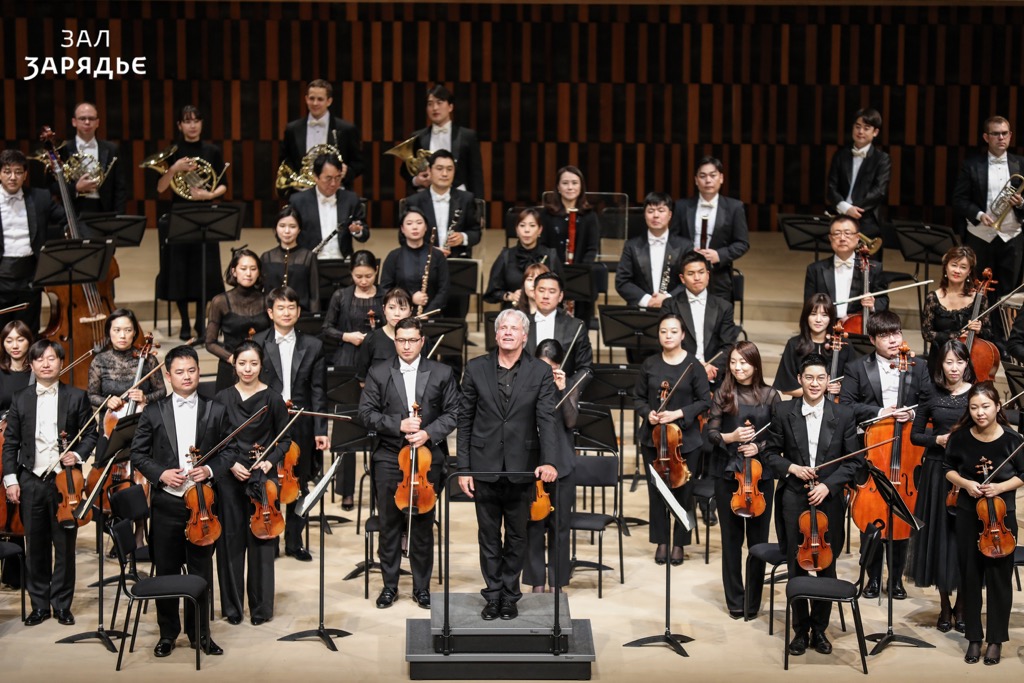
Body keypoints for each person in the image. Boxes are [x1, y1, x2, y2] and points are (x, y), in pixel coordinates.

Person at [130, 345, 233, 657]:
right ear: (167, 375)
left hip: (202, 504)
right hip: (167, 504)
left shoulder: (216, 409)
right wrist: (161, 474)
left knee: (201, 571)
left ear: (199, 372)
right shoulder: (153, 411)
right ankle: (167, 634)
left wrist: (210, 469)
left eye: (191, 370)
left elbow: (230, 451)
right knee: (167, 570)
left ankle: (200, 634)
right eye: (179, 372)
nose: (186, 376)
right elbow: (138, 454)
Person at [457, 309, 559, 620]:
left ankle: (510, 595)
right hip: (483, 465)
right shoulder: (476, 368)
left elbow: (546, 418)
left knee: (517, 536)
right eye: (503, 327)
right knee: (488, 536)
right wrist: (464, 468)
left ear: (525, 335)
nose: (508, 332)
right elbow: (464, 420)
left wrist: (549, 460)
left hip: (522, 466)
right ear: (496, 333)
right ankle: (492, 595)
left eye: (514, 328)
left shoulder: (540, 371)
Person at [764, 353, 862, 657]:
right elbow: (770, 454)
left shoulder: (843, 414)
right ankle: (799, 629)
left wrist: (828, 486)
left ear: (828, 381)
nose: (815, 383)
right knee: (797, 563)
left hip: (828, 498)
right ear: (800, 379)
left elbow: (854, 462)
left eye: (821, 378)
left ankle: (819, 629)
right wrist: (792, 468)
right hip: (794, 495)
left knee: (826, 564)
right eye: (809, 378)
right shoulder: (783, 411)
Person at [359, 317, 460, 609]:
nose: (406, 346)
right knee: (389, 523)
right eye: (401, 340)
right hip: (390, 456)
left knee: (423, 524)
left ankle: (421, 587)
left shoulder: (442, 372)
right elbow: (365, 413)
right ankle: (389, 586)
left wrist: (428, 433)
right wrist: (398, 424)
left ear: (422, 341)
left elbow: (454, 412)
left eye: (412, 340)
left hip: (428, 459)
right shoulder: (379, 372)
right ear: (395, 341)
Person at [1, 340, 96, 627]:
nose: (46, 364)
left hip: (65, 482)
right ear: (31, 365)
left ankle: (62, 605)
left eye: (51, 358)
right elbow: (11, 443)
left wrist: (77, 454)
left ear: (61, 362)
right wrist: (10, 479)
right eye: (40, 359)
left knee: (65, 546)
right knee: (35, 546)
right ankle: (40, 605)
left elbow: (91, 433)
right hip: (31, 480)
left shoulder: (76, 396)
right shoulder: (20, 398)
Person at [839, 310, 929, 599]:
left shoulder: (918, 366)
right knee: (871, 516)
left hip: (907, 454)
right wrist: (882, 412)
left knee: (903, 517)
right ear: (872, 339)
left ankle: (897, 579)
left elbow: (930, 403)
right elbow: (847, 406)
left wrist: (911, 414)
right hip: (873, 451)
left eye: (896, 333)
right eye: (885, 335)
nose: (893, 340)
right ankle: (873, 578)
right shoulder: (857, 367)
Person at [944, 381, 1024, 665]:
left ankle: (996, 640)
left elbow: (1023, 474)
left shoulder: (1013, 440)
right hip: (969, 513)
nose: (980, 412)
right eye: (974, 407)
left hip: (1002, 516)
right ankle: (974, 638)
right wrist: (966, 483)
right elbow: (948, 469)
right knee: (970, 576)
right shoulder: (960, 437)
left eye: (986, 406)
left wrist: (1000, 487)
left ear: (998, 406)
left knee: (999, 578)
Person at [214, 340, 291, 626]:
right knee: (231, 542)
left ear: (261, 365)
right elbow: (214, 440)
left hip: (262, 478)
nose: (248, 369)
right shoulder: (221, 398)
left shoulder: (273, 398)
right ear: (234, 365)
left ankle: (261, 609)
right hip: (230, 477)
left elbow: (285, 439)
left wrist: (269, 461)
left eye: (254, 363)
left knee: (262, 542)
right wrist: (230, 464)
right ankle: (233, 608)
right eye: (242, 363)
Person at [704, 341, 779, 619]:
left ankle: (753, 600)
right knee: (731, 540)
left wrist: (758, 446)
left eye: (744, 362)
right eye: (733, 362)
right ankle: (735, 599)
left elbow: (779, 436)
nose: (738, 367)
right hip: (728, 473)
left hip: (760, 476)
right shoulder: (723, 394)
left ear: (755, 364)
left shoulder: (771, 396)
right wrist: (732, 437)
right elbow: (711, 433)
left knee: (758, 542)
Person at [254, 286, 329, 561]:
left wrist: (321, 429)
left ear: (298, 312)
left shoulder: (314, 345)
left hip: (301, 422)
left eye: (291, 307)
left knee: (299, 483)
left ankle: (294, 542)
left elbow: (318, 390)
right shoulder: (258, 343)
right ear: (270, 312)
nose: (286, 313)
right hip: (267, 423)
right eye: (280, 308)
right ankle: (270, 537)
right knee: (268, 482)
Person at [633, 312, 711, 565]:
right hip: (653, 439)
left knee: (683, 491)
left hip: (685, 441)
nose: (668, 336)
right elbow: (638, 398)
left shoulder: (693, 366)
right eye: (663, 331)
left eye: (674, 331)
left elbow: (704, 401)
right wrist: (648, 413)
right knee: (657, 492)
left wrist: (678, 413)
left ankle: (679, 542)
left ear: (683, 335)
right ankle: (661, 541)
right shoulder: (650, 364)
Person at [908, 339, 973, 634]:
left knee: (964, 539)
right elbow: (915, 435)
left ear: (966, 363)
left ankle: (962, 606)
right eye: (949, 362)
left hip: (967, 471)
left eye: (959, 362)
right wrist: (937, 439)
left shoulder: (977, 393)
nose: (954, 368)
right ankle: (945, 606)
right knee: (940, 537)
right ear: (940, 364)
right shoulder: (930, 393)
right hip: (936, 471)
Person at [153, 105, 227, 340]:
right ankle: (185, 322)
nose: (192, 125)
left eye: (196, 120)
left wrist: (208, 195)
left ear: (201, 123)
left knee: (205, 269)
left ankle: (200, 322)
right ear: (180, 125)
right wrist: (174, 168)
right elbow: (160, 188)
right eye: (187, 121)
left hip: (205, 215)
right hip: (180, 214)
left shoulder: (212, 151)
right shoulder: (173, 152)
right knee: (180, 271)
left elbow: (223, 185)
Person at [524, 339, 589, 593]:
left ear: (559, 366)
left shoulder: (568, 385)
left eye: (550, 368)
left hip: (562, 465)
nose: (545, 373)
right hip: (533, 464)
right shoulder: (526, 385)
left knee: (560, 527)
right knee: (533, 525)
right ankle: (536, 582)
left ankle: (557, 583)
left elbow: (571, 422)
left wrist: (563, 390)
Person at [402, 149, 482, 320]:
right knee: (424, 318)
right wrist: (430, 249)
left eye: (449, 169)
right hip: (423, 268)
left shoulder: (466, 199)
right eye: (439, 168)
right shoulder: (414, 201)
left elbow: (476, 232)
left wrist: (463, 238)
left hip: (455, 265)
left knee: (456, 319)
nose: (445, 174)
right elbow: (402, 237)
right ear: (429, 171)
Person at [952, 115, 1024, 302]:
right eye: (995, 134)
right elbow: (959, 200)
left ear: (1010, 136)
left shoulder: (1021, 164)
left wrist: (1021, 203)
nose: (1001, 138)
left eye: (1005, 133)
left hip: (1012, 237)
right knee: (977, 292)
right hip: (980, 237)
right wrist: (979, 214)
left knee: (1009, 295)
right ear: (986, 137)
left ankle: (1005, 324)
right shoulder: (972, 165)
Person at [88, 308, 166, 470]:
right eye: (117, 330)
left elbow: (162, 392)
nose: (122, 335)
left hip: (142, 426)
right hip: (110, 429)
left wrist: (145, 398)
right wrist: (107, 402)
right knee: (104, 475)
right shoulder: (99, 361)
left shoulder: (148, 359)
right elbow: (92, 395)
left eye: (128, 330)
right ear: (109, 332)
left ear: (135, 332)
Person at [0, 148, 66, 332]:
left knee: (28, 333)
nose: (13, 177)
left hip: (30, 279)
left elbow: (67, 219)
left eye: (18, 172)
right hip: (1, 277)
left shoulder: (40, 198)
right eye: (7, 171)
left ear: (25, 175)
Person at [670, 156, 750, 301]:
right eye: (703, 176)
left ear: (721, 178)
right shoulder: (682, 206)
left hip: (719, 279)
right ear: (696, 180)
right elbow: (673, 239)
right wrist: (688, 252)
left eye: (713, 175)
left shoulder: (735, 207)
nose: (708, 180)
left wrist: (719, 255)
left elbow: (742, 243)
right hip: (685, 278)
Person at [662, 251, 740, 386]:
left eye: (701, 272)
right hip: (679, 374)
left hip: (713, 376)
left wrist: (713, 368)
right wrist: (694, 367)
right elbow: (666, 342)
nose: (697, 277)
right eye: (691, 273)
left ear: (708, 275)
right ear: (682, 278)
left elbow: (728, 345)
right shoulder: (670, 305)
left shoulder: (724, 307)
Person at [204, 248, 271, 392]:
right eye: (243, 268)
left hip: (261, 367)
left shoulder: (267, 300)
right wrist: (233, 359)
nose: (248, 273)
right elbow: (210, 343)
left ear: (259, 272)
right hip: (230, 367)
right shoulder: (220, 301)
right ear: (234, 271)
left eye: (253, 269)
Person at [401, 84, 484, 198]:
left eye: (439, 102)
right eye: (430, 104)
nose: (435, 108)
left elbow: (476, 175)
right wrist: (417, 181)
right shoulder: (417, 137)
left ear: (450, 107)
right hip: (426, 199)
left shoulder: (467, 136)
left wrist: (478, 205)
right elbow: (405, 170)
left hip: (459, 200)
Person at [281, 79, 364, 191]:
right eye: (312, 98)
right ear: (306, 99)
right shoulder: (292, 129)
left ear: (329, 101)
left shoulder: (346, 129)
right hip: (301, 193)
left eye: (320, 99)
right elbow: (285, 162)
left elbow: (359, 163)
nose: (315, 103)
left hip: (337, 192)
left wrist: (347, 171)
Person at [803, 215, 888, 323]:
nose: (842, 238)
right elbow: (808, 305)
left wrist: (872, 305)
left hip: (858, 326)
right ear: (830, 238)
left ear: (857, 237)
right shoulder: (815, 269)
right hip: (826, 327)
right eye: (837, 233)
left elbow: (883, 301)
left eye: (847, 233)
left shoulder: (873, 268)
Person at [615, 192, 692, 309]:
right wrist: (647, 301)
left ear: (670, 215)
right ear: (644, 215)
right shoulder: (631, 245)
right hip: (640, 311)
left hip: (675, 310)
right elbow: (622, 281)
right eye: (650, 211)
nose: (656, 215)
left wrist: (667, 299)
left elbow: (690, 280)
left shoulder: (685, 246)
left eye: (661, 210)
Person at [826, 107, 892, 242]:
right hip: (840, 215)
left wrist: (852, 209)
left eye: (866, 128)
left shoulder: (882, 159)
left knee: (865, 256)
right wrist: (845, 208)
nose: (860, 131)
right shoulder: (840, 155)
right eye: (857, 127)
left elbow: (879, 191)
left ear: (875, 132)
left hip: (867, 219)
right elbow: (831, 187)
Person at [290, 153, 369, 261]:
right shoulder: (298, 201)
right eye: (328, 178)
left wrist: (357, 231)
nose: (333, 183)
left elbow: (365, 235)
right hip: (309, 262)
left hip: (342, 262)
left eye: (338, 178)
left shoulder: (350, 199)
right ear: (316, 177)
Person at [0, 320, 31, 588]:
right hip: (1, 441)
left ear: (29, 341)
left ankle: (16, 570)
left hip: (26, 444)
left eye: (20, 339)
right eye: (9, 340)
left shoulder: (37, 372)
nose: (15, 345)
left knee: (19, 501)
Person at [774, 293, 852, 398]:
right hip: (801, 404)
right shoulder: (794, 344)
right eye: (813, 314)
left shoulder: (845, 345)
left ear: (830, 318)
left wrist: (841, 388)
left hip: (836, 404)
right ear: (806, 317)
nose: (818, 320)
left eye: (824, 315)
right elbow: (786, 388)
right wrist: (822, 389)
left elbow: (855, 383)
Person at [59, 101, 128, 216]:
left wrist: (119, 216)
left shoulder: (111, 149)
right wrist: (76, 188)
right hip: (74, 210)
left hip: (104, 210)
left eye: (91, 118)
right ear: (74, 122)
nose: (87, 122)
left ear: (97, 123)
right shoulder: (63, 149)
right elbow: (53, 186)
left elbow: (120, 187)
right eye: (82, 118)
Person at [485, 208, 561, 309]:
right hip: (513, 314)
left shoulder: (550, 256)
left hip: (544, 313)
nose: (527, 230)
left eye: (532, 225)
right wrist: (510, 296)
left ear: (540, 230)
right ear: (516, 230)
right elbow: (492, 293)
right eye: (522, 225)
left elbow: (561, 291)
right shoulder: (506, 255)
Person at [380, 206, 450, 316]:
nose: (415, 227)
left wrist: (427, 314)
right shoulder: (394, 256)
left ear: (426, 227)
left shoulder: (437, 255)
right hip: (401, 316)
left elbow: (444, 290)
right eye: (409, 223)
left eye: (419, 223)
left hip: (432, 316)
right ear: (402, 229)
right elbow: (385, 289)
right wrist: (409, 298)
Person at [322, 250, 384, 367]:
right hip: (348, 356)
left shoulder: (386, 296)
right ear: (351, 272)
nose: (364, 282)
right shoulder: (341, 296)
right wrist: (347, 336)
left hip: (378, 356)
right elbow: (326, 329)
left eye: (369, 276)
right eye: (358, 277)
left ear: (376, 270)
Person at [525, 272, 593, 379]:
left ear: (560, 296)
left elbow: (586, 368)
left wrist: (567, 387)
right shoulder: (521, 324)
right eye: (541, 290)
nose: (545, 296)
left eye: (552, 291)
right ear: (534, 293)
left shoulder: (576, 326)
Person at [261, 205, 320, 313]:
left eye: (292, 226)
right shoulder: (266, 257)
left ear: (299, 229)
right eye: (282, 226)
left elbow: (314, 295)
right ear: (276, 228)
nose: (287, 231)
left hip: (301, 315)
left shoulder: (308, 256)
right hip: (272, 316)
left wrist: (313, 318)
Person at [355, 288, 413, 384]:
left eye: (402, 309)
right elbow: (362, 380)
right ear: (384, 309)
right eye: (391, 308)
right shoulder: (371, 339)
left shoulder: (418, 340)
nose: (397, 314)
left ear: (410, 311)